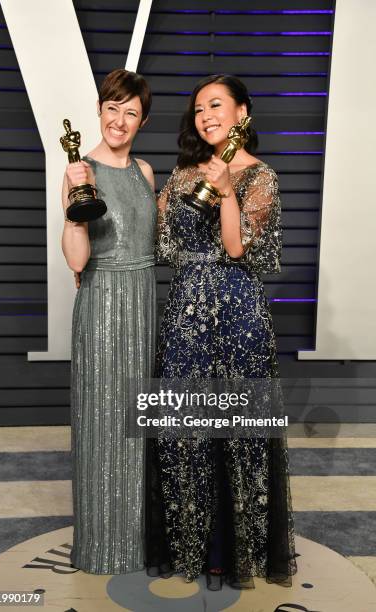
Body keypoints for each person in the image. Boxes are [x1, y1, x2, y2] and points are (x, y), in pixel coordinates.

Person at [146, 74, 297, 589]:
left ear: (242, 113)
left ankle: (236, 553)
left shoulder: (262, 176)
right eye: (198, 109)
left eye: (216, 105)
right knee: (184, 430)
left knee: (238, 432)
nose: (206, 115)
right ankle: (190, 544)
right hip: (187, 310)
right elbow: (159, 237)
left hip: (237, 310)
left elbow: (237, 249)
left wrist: (228, 192)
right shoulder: (184, 173)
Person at [62, 69, 157, 574]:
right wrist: (75, 208)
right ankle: (101, 547)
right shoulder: (79, 169)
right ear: (99, 109)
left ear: (141, 121)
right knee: (102, 423)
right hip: (100, 304)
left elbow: (150, 242)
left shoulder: (144, 171)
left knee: (137, 425)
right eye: (112, 107)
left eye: (131, 112)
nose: (119, 120)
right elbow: (77, 261)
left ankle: (138, 545)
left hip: (143, 304)